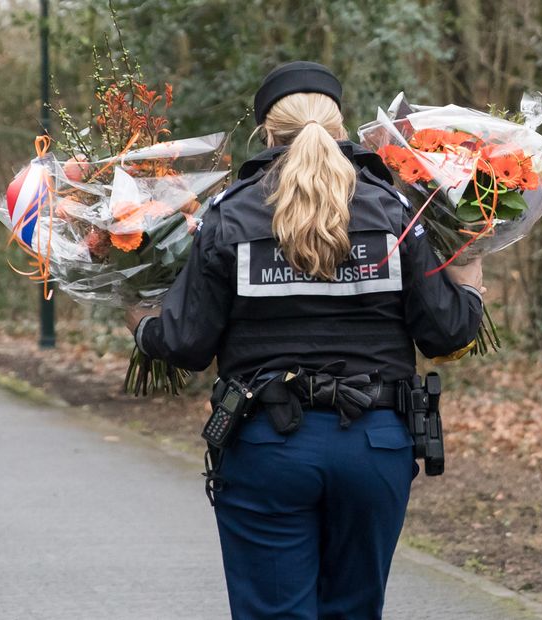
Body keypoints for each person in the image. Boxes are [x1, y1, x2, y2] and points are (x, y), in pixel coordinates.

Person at [128, 61, 484, 620]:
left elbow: (186, 345)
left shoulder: (228, 217)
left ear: (266, 135)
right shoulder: (395, 211)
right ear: (341, 130)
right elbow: (447, 332)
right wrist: (473, 278)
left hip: (267, 447)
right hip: (376, 446)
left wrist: (138, 315)